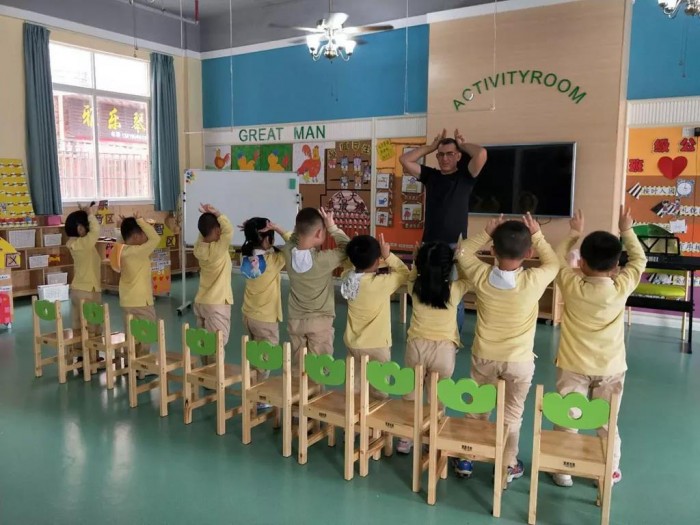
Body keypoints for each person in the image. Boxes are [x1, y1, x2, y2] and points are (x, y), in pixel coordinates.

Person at [456, 213, 559, 482]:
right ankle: (507, 463)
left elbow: (463, 251)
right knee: (512, 415)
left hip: (485, 357)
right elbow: (554, 262)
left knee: (477, 407)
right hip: (519, 361)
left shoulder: (480, 274)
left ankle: (468, 457)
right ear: (529, 253)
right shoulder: (534, 280)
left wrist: (485, 232)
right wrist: (537, 234)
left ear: (492, 250)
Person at [550, 207, 646, 488]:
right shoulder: (621, 287)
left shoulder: (571, 284)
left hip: (573, 366)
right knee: (608, 420)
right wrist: (626, 230)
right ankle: (609, 470)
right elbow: (639, 260)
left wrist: (573, 234)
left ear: (582, 263)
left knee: (568, 416)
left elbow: (555, 260)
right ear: (616, 266)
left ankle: (563, 469)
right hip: (611, 367)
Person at [400, 128, 487, 334]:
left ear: (458, 156)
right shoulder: (431, 175)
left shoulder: (466, 175)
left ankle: (453, 336)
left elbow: (481, 154)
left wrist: (463, 144)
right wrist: (430, 147)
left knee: (452, 293)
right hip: (429, 244)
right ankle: (427, 330)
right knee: (424, 288)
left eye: (450, 154)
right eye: (441, 154)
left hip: (455, 247)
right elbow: (405, 160)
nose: (444, 158)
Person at [397, 241, 471, 455]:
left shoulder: (414, 287)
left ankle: (406, 438)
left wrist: (415, 258)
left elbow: (412, 274)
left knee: (411, 393)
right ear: (450, 267)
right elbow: (469, 280)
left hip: (416, 347)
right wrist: (460, 259)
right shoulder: (454, 290)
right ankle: (433, 436)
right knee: (438, 396)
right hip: (444, 351)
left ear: (420, 265)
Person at [340, 233, 409, 398]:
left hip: (353, 344)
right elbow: (404, 272)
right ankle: (375, 421)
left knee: (354, 387)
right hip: (377, 346)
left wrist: (361, 251)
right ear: (377, 260)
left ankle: (354, 420)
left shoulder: (346, 277)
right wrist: (388, 255)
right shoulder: (381, 283)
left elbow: (350, 265)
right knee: (379, 388)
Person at [281, 207, 349, 365]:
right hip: (320, 321)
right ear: (319, 233)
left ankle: (298, 390)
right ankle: (317, 390)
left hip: (295, 320)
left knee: (298, 368)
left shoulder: (288, 251)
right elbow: (348, 247)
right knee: (319, 368)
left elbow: (292, 239)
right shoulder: (323, 260)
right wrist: (332, 226)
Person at [240, 217, 292, 392]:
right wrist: (278, 228)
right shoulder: (272, 261)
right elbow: (293, 245)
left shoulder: (246, 257)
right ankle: (258, 394)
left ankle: (251, 387)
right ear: (267, 239)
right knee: (265, 358)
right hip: (266, 319)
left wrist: (251, 230)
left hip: (249, 315)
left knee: (255, 354)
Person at [111, 213, 160, 357]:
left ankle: (130, 362)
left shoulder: (120, 250)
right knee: (146, 332)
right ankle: (142, 366)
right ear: (137, 236)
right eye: (143, 233)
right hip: (142, 301)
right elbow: (155, 238)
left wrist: (121, 226)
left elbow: (121, 239)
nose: (146, 237)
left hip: (127, 300)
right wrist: (141, 220)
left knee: (131, 333)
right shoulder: (139, 251)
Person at [193, 204, 234, 366]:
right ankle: (216, 379)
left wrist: (208, 220)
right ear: (217, 231)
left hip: (202, 301)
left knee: (205, 341)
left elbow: (204, 233)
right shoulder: (219, 248)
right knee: (217, 343)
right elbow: (229, 230)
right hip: (217, 304)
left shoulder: (199, 248)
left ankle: (206, 374)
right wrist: (217, 212)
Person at [65, 204, 102, 343]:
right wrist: (89, 214)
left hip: (77, 290)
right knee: (92, 327)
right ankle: (92, 360)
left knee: (78, 326)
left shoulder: (75, 243)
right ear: (80, 228)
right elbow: (96, 231)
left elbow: (93, 232)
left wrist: (88, 212)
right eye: (85, 225)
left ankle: (81, 357)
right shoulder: (83, 244)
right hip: (89, 290)